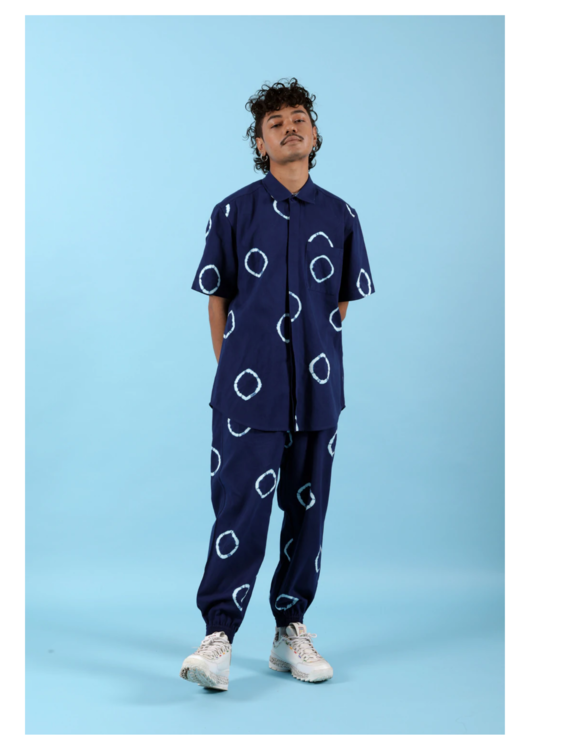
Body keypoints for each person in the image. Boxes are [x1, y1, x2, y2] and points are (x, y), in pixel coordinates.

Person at [180, 78, 375, 691]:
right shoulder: (232, 211)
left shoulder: (342, 215)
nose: (290, 127)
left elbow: (340, 301)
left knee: (307, 512)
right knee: (239, 509)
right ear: (260, 144)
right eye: (275, 123)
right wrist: (235, 366)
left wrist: (312, 359)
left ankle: (290, 629)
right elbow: (218, 295)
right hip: (247, 392)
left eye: (299, 118)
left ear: (314, 134)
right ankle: (218, 638)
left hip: (317, 392)